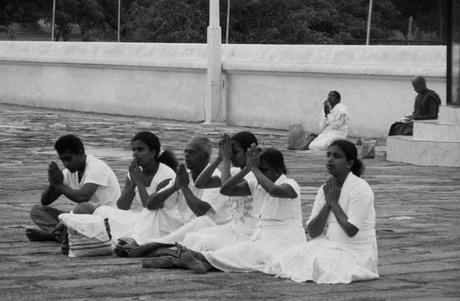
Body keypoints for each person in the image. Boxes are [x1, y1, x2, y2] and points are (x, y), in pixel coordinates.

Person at [157, 146, 306, 275]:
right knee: (239, 253)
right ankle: (199, 260)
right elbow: (226, 189)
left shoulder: (290, 184)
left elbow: (273, 190)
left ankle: (192, 258)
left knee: (250, 254)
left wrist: (254, 168)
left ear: (278, 170)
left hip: (284, 241)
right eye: (259, 170)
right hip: (261, 237)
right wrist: (246, 169)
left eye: (264, 170)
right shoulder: (256, 183)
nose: (259, 174)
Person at [266, 140, 378, 284]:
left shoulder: (360, 188)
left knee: (322, 267)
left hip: (356, 251)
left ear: (349, 163)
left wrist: (334, 203)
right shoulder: (326, 188)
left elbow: (351, 230)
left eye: (336, 156)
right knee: (284, 261)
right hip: (330, 244)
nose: (330, 160)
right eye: (328, 155)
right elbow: (313, 232)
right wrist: (327, 204)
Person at [121, 137, 230, 257]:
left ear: (205, 156)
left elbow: (200, 210)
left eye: (192, 152)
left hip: (209, 228)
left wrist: (183, 187)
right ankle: (137, 241)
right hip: (183, 226)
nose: (187, 156)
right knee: (155, 210)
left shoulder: (216, 177)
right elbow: (149, 204)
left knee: (200, 221)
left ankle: (152, 246)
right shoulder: (185, 175)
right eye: (186, 152)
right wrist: (174, 187)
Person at [25, 134, 121, 242]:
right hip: (82, 219)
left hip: (105, 220)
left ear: (80, 153)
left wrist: (59, 185)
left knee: (83, 207)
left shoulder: (97, 167)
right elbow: (45, 201)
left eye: (68, 159)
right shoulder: (70, 172)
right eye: (62, 160)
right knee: (37, 210)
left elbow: (82, 197)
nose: (65, 164)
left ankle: (56, 235)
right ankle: (61, 235)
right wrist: (53, 183)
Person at [93, 131, 181, 246]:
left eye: (140, 150)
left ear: (153, 153)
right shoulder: (135, 172)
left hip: (163, 221)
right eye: (133, 150)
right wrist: (133, 182)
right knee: (102, 211)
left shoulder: (166, 175)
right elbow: (122, 206)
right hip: (142, 217)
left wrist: (139, 182)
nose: (135, 154)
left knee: (142, 222)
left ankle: (131, 240)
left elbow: (150, 206)